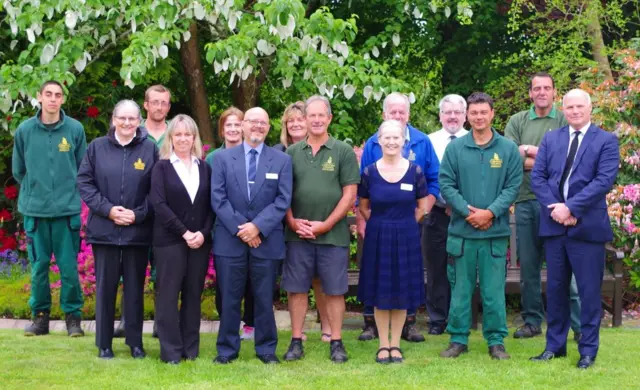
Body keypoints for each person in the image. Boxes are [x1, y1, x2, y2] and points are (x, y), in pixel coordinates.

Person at [530, 89, 619, 369]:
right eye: (570, 107)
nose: (575, 111)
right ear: (563, 109)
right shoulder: (552, 138)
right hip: (555, 226)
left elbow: (603, 180)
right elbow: (538, 176)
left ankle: (588, 351)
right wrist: (556, 207)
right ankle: (554, 347)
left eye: (580, 106)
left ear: (590, 108)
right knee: (556, 290)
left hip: (587, 228)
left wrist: (572, 208)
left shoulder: (605, 140)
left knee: (588, 292)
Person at [438, 92, 522, 360]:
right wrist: (467, 212)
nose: (478, 117)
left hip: (494, 234)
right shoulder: (455, 149)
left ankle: (496, 341)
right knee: (460, 290)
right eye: (473, 113)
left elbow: (512, 186)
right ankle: (458, 339)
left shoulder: (507, 149)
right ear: (467, 116)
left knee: (493, 291)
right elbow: (446, 184)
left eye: (483, 112)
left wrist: (490, 213)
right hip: (462, 234)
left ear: (492, 114)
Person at [211, 107, 292, 365]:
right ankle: (226, 350)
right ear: (243, 125)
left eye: (263, 123)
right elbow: (218, 198)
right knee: (229, 298)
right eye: (253, 122)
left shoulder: (281, 161)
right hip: (230, 240)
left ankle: (267, 349)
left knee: (264, 298)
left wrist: (256, 227)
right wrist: (243, 229)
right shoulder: (223, 159)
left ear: (268, 128)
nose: (257, 127)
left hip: (265, 240)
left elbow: (282, 200)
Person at [282, 95, 360, 363]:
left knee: (335, 290)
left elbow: (350, 195)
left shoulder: (343, 152)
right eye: (310, 116)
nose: (315, 120)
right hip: (297, 234)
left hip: (332, 235)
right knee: (296, 289)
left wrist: (325, 225)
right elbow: (283, 193)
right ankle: (295, 341)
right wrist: (292, 221)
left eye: (320, 116)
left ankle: (336, 341)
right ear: (304, 120)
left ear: (329, 119)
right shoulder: (291, 153)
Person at [504, 72, 582, 341]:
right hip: (525, 202)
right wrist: (546, 158)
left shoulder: (563, 118)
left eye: (546, 88)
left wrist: (530, 151)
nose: (541, 92)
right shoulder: (517, 121)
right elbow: (511, 160)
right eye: (536, 88)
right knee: (529, 268)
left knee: (566, 266)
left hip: (558, 204)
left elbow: (567, 160)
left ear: (554, 92)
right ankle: (532, 322)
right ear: (530, 93)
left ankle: (578, 326)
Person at [77, 100, 158, 359]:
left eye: (132, 119)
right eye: (122, 118)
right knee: (106, 288)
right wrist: (109, 210)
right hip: (105, 231)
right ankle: (104, 344)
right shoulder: (96, 147)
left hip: (138, 232)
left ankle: (135, 343)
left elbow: (157, 188)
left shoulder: (149, 149)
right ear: (113, 119)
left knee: (135, 289)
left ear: (139, 121)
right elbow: (85, 182)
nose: (126, 123)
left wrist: (138, 214)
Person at [357, 92, 439, 343]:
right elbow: (363, 200)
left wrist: (411, 218)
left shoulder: (422, 145)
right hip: (380, 230)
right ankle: (376, 331)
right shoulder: (371, 151)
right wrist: (376, 221)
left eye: (402, 111)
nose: (398, 115)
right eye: (393, 112)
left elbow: (430, 187)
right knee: (380, 281)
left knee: (404, 280)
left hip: (408, 227)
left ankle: (407, 327)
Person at [13, 80, 87, 337]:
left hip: (67, 213)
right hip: (35, 212)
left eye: (58, 95)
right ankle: (40, 319)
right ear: (39, 97)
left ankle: (73, 320)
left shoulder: (75, 129)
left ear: (63, 100)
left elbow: (82, 169)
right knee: (39, 267)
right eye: (49, 94)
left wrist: (64, 194)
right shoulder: (25, 130)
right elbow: (19, 170)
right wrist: (37, 190)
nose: (53, 99)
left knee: (68, 268)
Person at [150, 114, 214, 364]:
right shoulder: (162, 167)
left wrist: (202, 233)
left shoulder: (204, 167)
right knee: (168, 295)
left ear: (195, 138)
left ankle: (190, 349)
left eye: (188, 134)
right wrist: (184, 232)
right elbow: (159, 204)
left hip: (199, 242)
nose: (183, 139)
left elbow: (211, 206)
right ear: (171, 138)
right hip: (170, 241)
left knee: (192, 294)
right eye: (178, 134)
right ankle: (171, 351)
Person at [115, 84, 171, 338]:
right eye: (154, 102)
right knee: (131, 271)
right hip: (136, 213)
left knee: (163, 272)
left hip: (166, 216)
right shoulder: (131, 131)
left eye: (164, 103)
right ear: (145, 105)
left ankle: (162, 322)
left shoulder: (176, 133)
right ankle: (128, 320)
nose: (159, 107)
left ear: (169, 107)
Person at [274, 101, 332, 342]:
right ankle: (299, 330)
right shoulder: (279, 152)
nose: (296, 124)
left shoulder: (325, 149)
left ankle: (327, 326)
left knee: (320, 279)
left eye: (300, 119)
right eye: (291, 121)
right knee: (295, 280)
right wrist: (292, 222)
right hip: (287, 223)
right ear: (285, 126)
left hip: (319, 225)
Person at [204, 107, 256, 341]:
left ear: (244, 127)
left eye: (237, 124)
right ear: (222, 129)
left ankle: (251, 324)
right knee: (226, 283)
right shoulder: (213, 158)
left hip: (254, 229)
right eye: (229, 125)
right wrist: (235, 225)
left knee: (252, 280)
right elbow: (214, 196)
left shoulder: (255, 154)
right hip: (224, 227)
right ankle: (229, 323)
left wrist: (251, 226)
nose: (233, 129)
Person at [425, 94, 469, 335]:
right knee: (436, 268)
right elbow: (428, 177)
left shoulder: (475, 140)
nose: (452, 116)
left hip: (467, 215)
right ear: (440, 115)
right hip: (437, 213)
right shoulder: (428, 141)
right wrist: (446, 202)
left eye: (457, 112)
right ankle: (437, 319)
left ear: (465, 115)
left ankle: (460, 318)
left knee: (463, 268)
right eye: (447, 112)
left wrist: (461, 205)